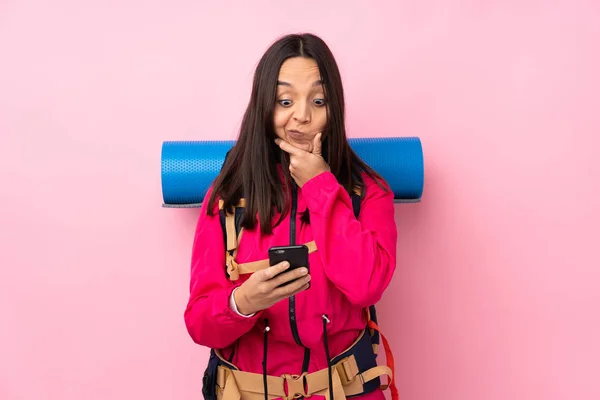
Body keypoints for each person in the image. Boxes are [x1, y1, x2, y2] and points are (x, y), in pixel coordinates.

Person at [184, 33, 398, 400]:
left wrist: (320, 186)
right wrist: (242, 304)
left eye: (318, 100)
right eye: (286, 100)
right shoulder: (225, 199)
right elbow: (201, 324)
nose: (302, 115)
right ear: (264, 107)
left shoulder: (369, 193)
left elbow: (367, 286)